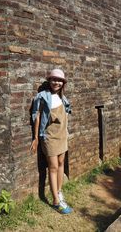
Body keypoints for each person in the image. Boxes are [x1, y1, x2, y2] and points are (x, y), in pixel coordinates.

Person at [31, 68, 72, 214]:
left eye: (60, 80)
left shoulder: (63, 98)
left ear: (63, 83)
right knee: (53, 167)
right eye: (54, 79)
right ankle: (55, 200)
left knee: (61, 164)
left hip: (62, 136)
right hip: (49, 137)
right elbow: (37, 116)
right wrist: (36, 138)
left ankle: (59, 192)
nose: (57, 82)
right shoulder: (42, 96)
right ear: (49, 81)